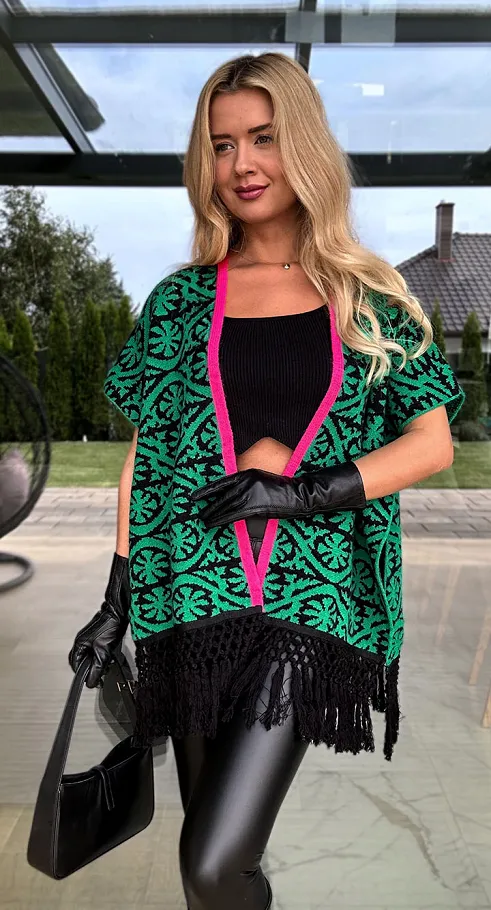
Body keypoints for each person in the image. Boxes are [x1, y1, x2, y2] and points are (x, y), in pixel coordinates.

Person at [68, 53, 465, 910]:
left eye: (263, 138)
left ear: (304, 146)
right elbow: (146, 459)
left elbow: (431, 443)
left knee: (215, 864)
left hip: (307, 600)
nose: (241, 164)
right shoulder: (178, 303)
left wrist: (301, 492)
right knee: (204, 864)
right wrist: (116, 597)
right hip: (190, 597)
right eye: (221, 145)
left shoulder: (367, 297)